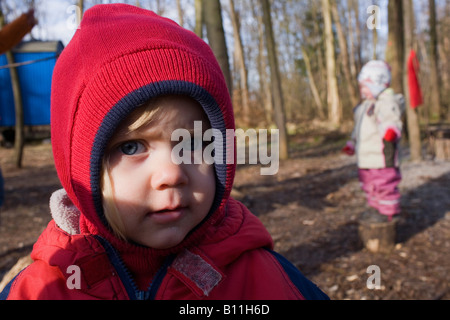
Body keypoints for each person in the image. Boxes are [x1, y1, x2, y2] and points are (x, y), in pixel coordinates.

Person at [1, 4, 328, 300]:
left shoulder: (266, 280)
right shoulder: (41, 290)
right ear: (79, 169)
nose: (172, 173)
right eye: (131, 147)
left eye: (195, 143)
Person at [342, 60, 404, 222]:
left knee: (384, 184)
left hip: (381, 157)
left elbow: (391, 118)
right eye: (362, 86)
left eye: (365, 86)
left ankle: (388, 212)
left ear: (377, 84)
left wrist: (391, 130)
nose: (362, 91)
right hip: (365, 158)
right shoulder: (364, 107)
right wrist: (352, 143)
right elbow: (358, 129)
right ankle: (375, 208)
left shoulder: (385, 102)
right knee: (368, 184)